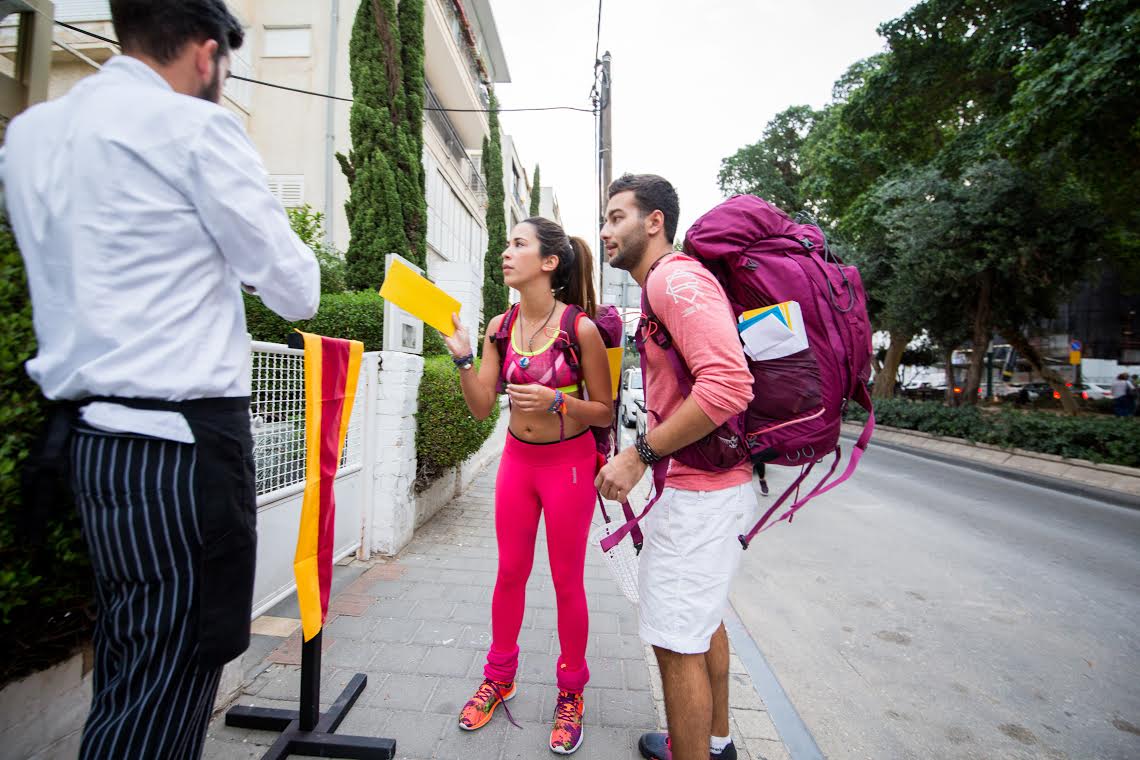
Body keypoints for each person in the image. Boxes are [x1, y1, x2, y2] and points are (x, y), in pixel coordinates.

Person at [1, 1, 320, 757]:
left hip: (85, 443)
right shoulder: (194, 130)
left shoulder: (31, 135)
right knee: (165, 688)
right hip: (176, 452)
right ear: (207, 56)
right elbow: (295, 286)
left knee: (125, 661)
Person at [596, 174, 754, 760]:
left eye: (617, 217)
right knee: (702, 622)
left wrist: (639, 454)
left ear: (654, 221)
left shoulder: (675, 279)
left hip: (700, 496)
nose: (607, 230)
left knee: (675, 642)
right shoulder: (669, 282)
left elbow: (728, 385)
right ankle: (717, 742)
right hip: (707, 490)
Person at [441, 218, 613, 754]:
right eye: (507, 243)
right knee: (510, 573)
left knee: (566, 581)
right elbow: (480, 407)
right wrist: (464, 356)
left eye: (518, 244)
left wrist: (558, 400)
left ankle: (571, 691)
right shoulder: (499, 325)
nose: (506, 252)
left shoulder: (580, 328)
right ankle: (500, 677)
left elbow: (605, 411)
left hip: (568, 467)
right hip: (518, 464)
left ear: (549, 262)